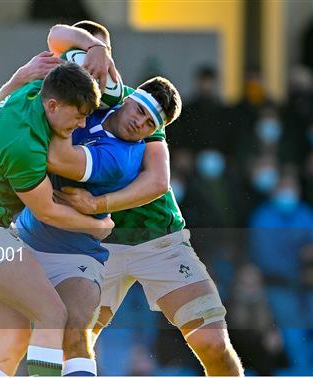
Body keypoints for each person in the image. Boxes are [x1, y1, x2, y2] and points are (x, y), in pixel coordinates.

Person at [49, 21, 244, 376]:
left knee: (213, 344)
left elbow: (157, 182)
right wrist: (97, 48)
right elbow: (58, 34)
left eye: (151, 122)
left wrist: (98, 204)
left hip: (158, 240)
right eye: (139, 111)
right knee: (71, 339)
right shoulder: (66, 94)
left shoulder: (133, 105)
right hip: (96, 245)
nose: (141, 122)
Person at [0, 62, 113, 376]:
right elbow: (47, 210)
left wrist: (21, 73)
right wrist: (97, 225)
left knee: (12, 340)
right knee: (52, 314)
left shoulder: (30, 91)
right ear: (53, 105)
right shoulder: (25, 147)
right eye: (79, 114)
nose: (83, 122)